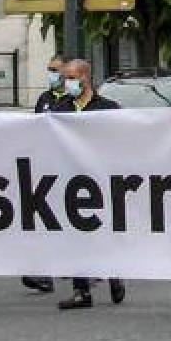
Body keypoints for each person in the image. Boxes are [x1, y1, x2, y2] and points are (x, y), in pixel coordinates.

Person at [53, 59, 127, 310]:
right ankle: (81, 289)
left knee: (103, 232)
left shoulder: (108, 107)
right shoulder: (60, 109)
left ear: (86, 77)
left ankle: (114, 273)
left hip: (102, 180)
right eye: (66, 78)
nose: (69, 83)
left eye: (73, 77)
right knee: (75, 233)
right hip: (71, 180)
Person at [22, 55, 66, 294]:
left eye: (55, 70)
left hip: (71, 172)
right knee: (45, 220)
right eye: (49, 69)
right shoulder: (44, 99)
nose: (51, 74)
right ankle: (45, 273)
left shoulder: (75, 100)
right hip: (46, 170)